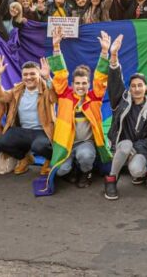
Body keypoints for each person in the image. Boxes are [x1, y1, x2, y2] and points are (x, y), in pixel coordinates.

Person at [45, 27, 114, 188]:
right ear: (72, 84)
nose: (81, 86)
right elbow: (60, 73)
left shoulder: (95, 97)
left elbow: (101, 77)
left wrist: (104, 52)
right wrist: (56, 47)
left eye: (84, 83)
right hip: (65, 142)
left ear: (88, 84)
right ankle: (72, 169)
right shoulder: (64, 94)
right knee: (61, 171)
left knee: (86, 156)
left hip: (85, 143)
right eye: (77, 83)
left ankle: (85, 173)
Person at [104, 41, 147, 200]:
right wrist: (114, 56)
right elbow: (115, 82)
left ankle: (141, 171)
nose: (136, 88)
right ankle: (111, 180)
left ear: (146, 88)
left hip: (140, 150)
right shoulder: (121, 102)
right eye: (133, 86)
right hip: (122, 147)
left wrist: (135, 149)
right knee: (126, 145)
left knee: (136, 169)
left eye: (140, 85)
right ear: (129, 89)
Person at [0, 57, 57, 175]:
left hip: (43, 131)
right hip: (22, 130)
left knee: (39, 147)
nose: (28, 77)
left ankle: (49, 159)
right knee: (1, 142)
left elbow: (55, 97)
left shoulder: (47, 89)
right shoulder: (17, 90)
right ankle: (25, 159)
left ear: (39, 75)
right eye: (25, 74)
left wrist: (48, 77)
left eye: (32, 74)